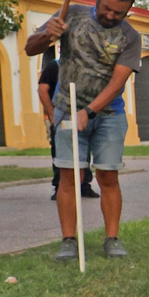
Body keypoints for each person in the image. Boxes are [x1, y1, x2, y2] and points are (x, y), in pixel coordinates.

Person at [25, 0, 141, 260]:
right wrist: (46, 36)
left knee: (108, 175)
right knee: (69, 176)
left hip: (109, 114)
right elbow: (31, 48)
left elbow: (117, 82)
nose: (111, 16)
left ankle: (111, 239)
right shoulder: (71, 15)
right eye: (108, 8)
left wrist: (88, 112)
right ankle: (68, 241)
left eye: (119, 13)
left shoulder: (130, 36)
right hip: (66, 107)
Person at [37, 54, 97, 201]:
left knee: (84, 151)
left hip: (82, 115)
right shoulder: (55, 66)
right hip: (62, 115)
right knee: (61, 153)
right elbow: (43, 89)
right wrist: (51, 113)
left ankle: (84, 186)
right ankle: (59, 187)